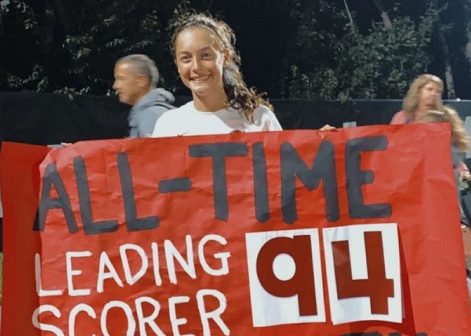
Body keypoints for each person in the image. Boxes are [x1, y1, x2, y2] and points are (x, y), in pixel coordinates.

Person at [151, 13, 282, 137]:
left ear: (225, 58)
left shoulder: (260, 119)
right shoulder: (168, 125)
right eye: (186, 58)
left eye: (206, 56)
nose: (196, 67)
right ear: (177, 65)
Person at [113, 54, 175, 138]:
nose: (115, 86)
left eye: (121, 78)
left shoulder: (150, 116)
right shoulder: (147, 113)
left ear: (142, 80)